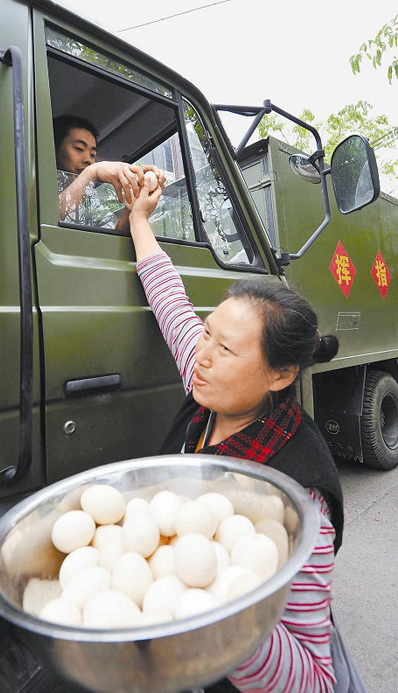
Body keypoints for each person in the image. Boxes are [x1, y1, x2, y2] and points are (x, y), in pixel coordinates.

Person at [128, 178, 345, 692]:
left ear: (280, 375)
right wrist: (140, 219)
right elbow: (170, 301)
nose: (201, 355)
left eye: (225, 349)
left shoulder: (299, 495)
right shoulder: (209, 392)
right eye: (206, 333)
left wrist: (223, 612)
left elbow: (315, 679)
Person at [53, 115, 164, 229]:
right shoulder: (38, 183)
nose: (88, 160)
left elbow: (112, 238)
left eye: (93, 155)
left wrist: (132, 209)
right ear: (54, 148)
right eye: (79, 148)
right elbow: (46, 219)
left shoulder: (90, 195)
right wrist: (92, 172)